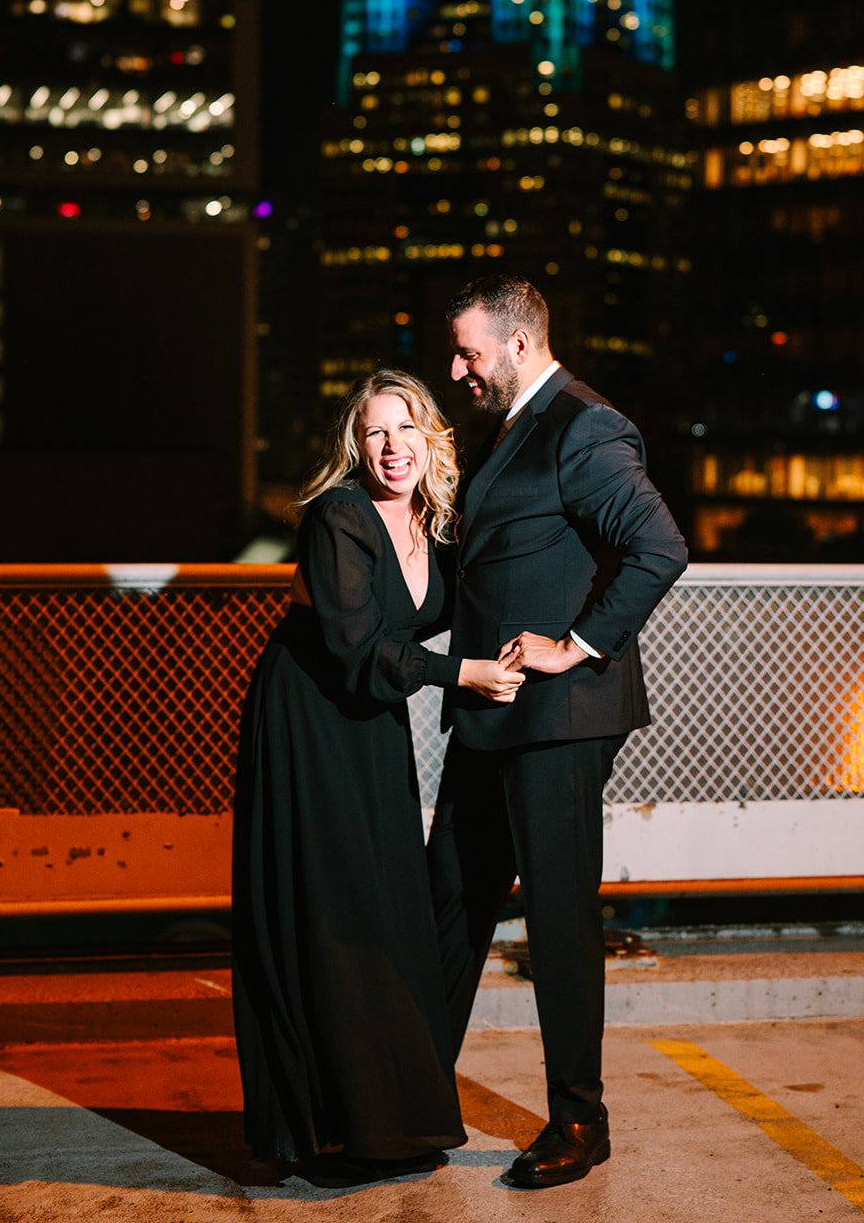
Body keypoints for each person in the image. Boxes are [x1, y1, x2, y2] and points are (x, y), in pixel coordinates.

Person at [231, 367, 523, 1186]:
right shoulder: (338, 517)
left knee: (382, 907)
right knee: (331, 911)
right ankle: (324, 1131)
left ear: (432, 436)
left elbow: (469, 606)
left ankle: (385, 1121)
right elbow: (357, 649)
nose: (392, 448)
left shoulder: (437, 525)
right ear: (354, 446)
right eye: (374, 433)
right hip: (310, 720)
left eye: (405, 429)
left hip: (371, 727)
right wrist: (462, 673)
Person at [427, 274, 688, 1190]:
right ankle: (412, 1102)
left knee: (560, 919)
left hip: (561, 718)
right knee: (448, 901)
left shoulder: (584, 424)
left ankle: (581, 1120)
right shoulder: (511, 425)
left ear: (521, 343)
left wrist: (574, 647)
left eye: (468, 350)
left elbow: (662, 547)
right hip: (494, 710)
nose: (456, 368)